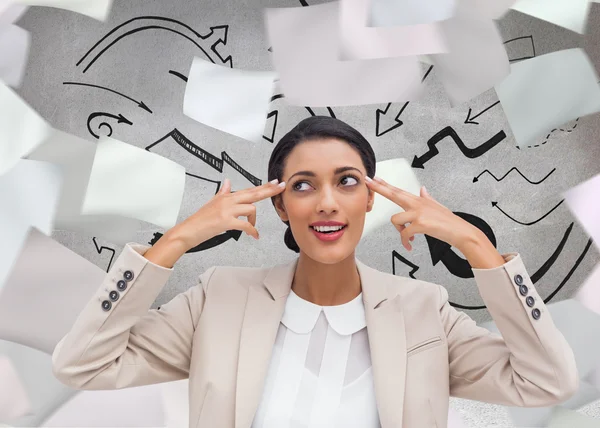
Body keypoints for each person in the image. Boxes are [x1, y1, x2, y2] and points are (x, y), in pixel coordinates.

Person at [52, 116, 578, 428]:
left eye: (347, 181)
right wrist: (175, 241)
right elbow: (82, 365)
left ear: (371, 198)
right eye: (302, 185)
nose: (326, 203)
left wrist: (475, 244)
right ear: (280, 207)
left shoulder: (424, 310)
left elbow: (548, 382)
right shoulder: (220, 298)